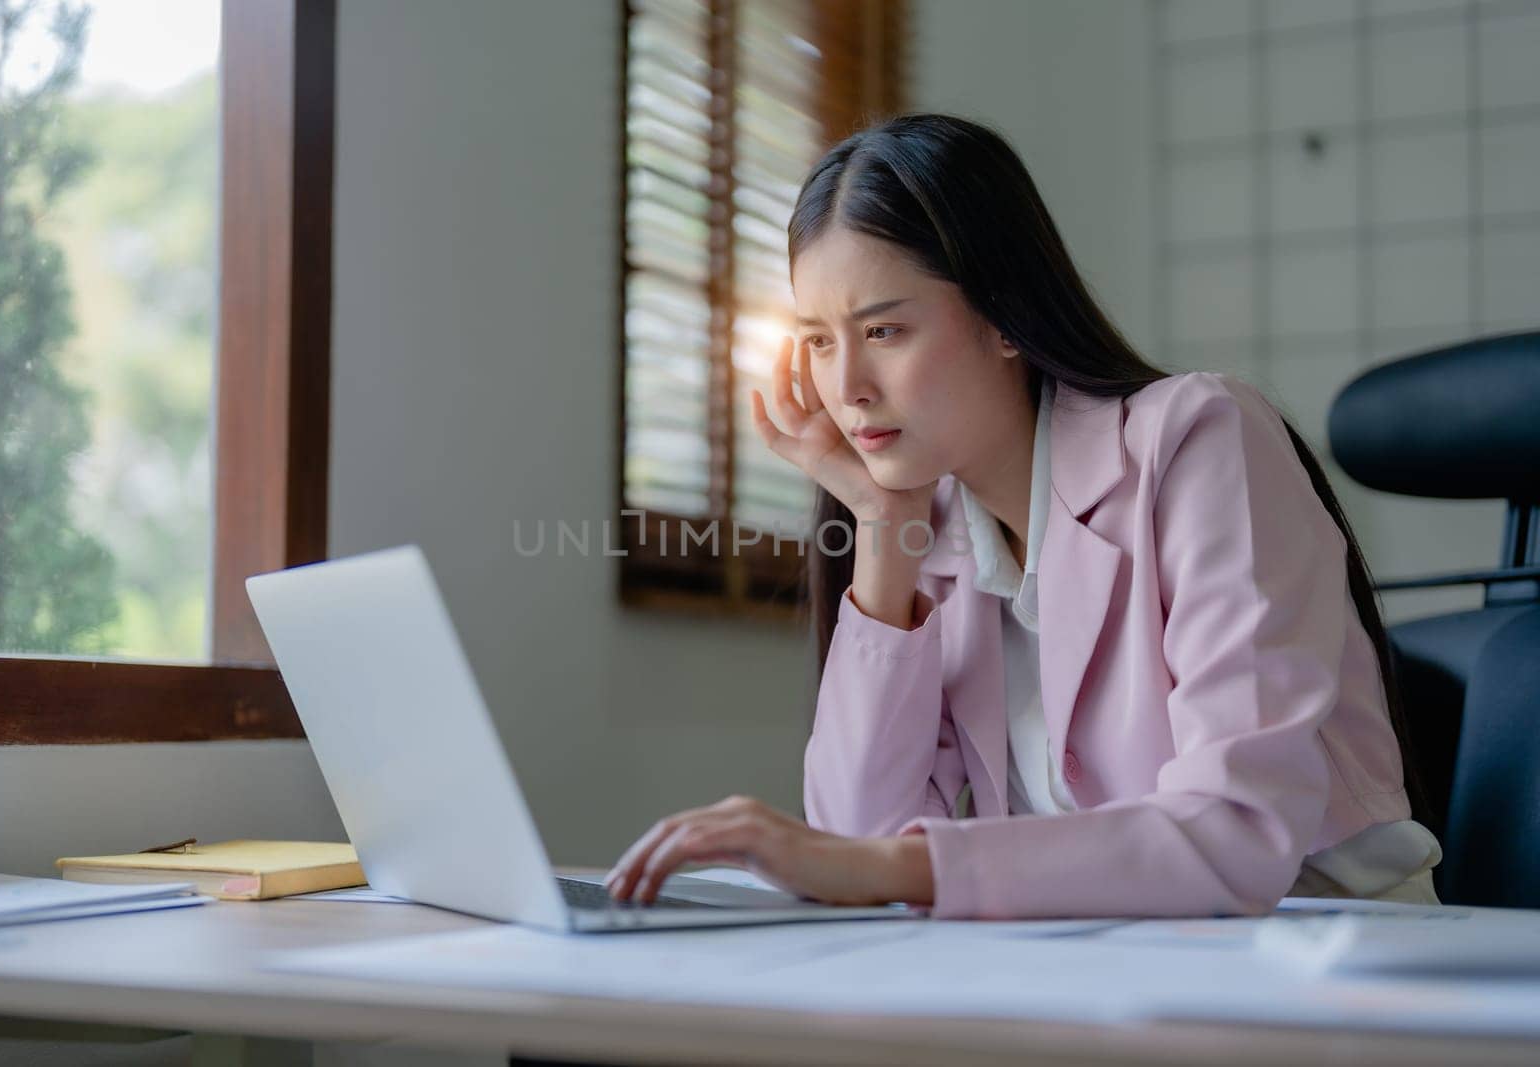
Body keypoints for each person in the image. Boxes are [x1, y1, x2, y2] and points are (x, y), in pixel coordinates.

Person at [604, 113, 1441, 919]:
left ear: (1004, 316)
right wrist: (882, 524)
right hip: (1107, 967)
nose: (847, 384)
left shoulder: (1199, 438)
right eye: (818, 341)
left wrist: (879, 866)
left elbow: (1239, 831)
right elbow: (854, 845)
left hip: (1331, 960)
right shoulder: (930, 526)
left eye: (884, 329)